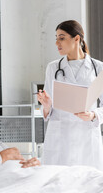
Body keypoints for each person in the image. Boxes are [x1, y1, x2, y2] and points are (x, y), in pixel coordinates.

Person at [37, 20, 103, 170]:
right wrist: (46, 105)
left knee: (88, 184)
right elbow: (48, 110)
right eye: (56, 38)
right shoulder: (53, 68)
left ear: (77, 38)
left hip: (86, 138)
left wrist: (93, 115)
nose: (57, 43)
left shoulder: (98, 68)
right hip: (60, 137)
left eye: (62, 38)